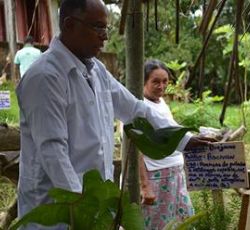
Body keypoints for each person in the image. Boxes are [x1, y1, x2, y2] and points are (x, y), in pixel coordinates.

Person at [16, 1, 199, 229]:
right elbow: (53, 151)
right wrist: (82, 207)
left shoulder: (96, 70)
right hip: (60, 211)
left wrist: (185, 140)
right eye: (98, 28)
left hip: (93, 211)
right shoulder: (45, 77)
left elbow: (135, 109)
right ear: (70, 25)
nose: (104, 37)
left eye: (106, 29)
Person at [139, 59, 213, 229]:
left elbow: (171, 133)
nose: (161, 86)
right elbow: (135, 150)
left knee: (182, 222)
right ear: (143, 81)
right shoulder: (138, 106)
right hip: (155, 179)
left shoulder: (160, 102)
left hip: (174, 177)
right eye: (155, 81)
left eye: (165, 81)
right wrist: (144, 186)